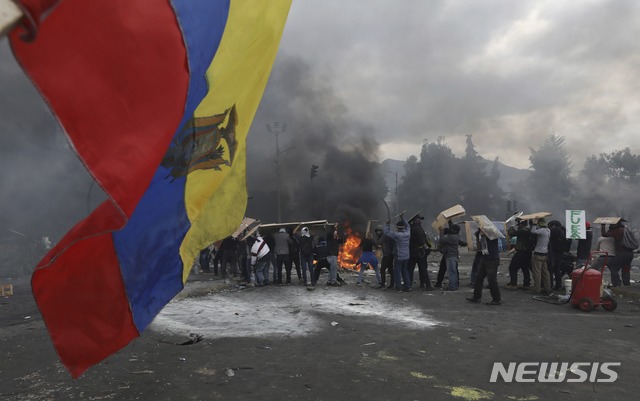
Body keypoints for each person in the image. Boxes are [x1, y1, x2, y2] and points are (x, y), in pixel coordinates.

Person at [466, 229, 501, 305]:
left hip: (492, 260)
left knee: (492, 280)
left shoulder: (493, 235)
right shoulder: (483, 238)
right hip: (485, 259)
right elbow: (479, 249)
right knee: (479, 278)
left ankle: (496, 299)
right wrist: (477, 236)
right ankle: (476, 296)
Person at [601, 220, 634, 287]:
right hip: (630, 253)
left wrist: (603, 226)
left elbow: (604, 234)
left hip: (622, 253)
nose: (610, 226)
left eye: (611, 225)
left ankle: (616, 284)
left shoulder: (617, 231)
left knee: (614, 268)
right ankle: (626, 284)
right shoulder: (626, 230)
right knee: (626, 269)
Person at [384, 214, 412, 292]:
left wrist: (387, 224)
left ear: (397, 228)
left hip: (399, 256)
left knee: (397, 272)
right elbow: (408, 226)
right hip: (406, 256)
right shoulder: (408, 233)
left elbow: (386, 232)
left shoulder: (397, 235)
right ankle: (408, 287)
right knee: (405, 271)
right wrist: (403, 218)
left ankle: (399, 287)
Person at [439, 221, 467, 291]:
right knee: (453, 271)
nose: (450, 229)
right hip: (453, 255)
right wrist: (449, 220)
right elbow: (452, 228)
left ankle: (452, 287)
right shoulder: (456, 235)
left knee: (451, 272)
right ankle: (454, 285)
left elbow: (442, 240)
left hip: (450, 256)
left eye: (452, 229)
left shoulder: (452, 237)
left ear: (454, 230)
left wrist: (441, 231)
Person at [408, 214, 434, 290]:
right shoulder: (418, 229)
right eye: (419, 219)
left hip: (411, 251)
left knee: (410, 269)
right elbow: (422, 241)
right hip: (420, 252)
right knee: (423, 269)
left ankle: (409, 285)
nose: (420, 221)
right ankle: (427, 285)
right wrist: (427, 248)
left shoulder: (409, 228)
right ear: (416, 220)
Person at [505, 219, 532, 289]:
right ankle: (526, 283)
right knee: (525, 267)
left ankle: (513, 283)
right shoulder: (529, 230)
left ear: (521, 224)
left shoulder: (522, 231)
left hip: (521, 252)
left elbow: (511, 233)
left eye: (518, 224)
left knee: (512, 268)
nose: (518, 226)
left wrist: (511, 226)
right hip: (528, 253)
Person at [530, 218, 551, 295]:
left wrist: (534, 223)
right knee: (545, 272)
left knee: (537, 272)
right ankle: (547, 288)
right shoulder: (548, 230)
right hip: (545, 253)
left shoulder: (542, 230)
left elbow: (532, 231)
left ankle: (537, 289)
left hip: (538, 253)